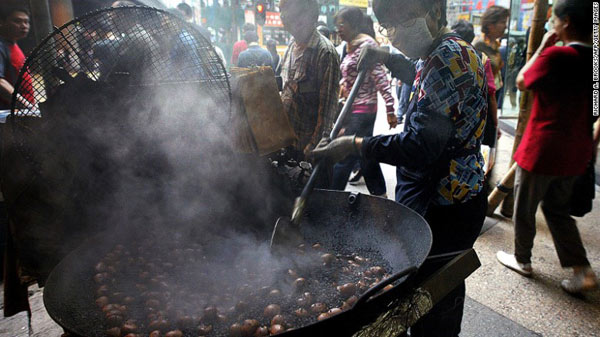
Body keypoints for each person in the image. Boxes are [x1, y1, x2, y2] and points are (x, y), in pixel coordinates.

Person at [312, 0, 488, 335]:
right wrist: (388, 59)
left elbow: (420, 146)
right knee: (442, 285)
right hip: (459, 192)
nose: (393, 33)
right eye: (386, 25)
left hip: (445, 202)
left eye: (400, 21)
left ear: (434, 12)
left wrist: (355, 145)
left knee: (432, 296)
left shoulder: (445, 58)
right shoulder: (453, 50)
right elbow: (431, 90)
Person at [496, 0, 598, 294]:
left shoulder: (556, 55)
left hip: (544, 146)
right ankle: (582, 269)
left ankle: (522, 260)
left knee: (525, 206)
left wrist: (542, 45)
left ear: (565, 22)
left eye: (553, 20)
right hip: (577, 148)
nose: (552, 25)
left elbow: (521, 81)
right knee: (556, 209)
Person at [330, 6, 396, 197]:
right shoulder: (350, 45)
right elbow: (349, 75)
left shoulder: (367, 46)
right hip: (353, 109)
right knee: (365, 155)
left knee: (344, 153)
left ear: (353, 24)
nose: (339, 29)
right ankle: (380, 195)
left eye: (342, 24)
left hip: (363, 110)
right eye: (337, 25)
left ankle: (331, 198)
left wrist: (391, 109)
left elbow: (380, 78)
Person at [279, 0, 340, 157]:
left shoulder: (325, 52)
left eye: (293, 14)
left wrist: (310, 153)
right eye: (283, 14)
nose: (285, 19)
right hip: (287, 144)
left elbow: (326, 115)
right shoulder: (291, 47)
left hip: (308, 151)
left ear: (312, 16)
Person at [0, 4, 33, 110]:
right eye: (17, 21)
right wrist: (28, 106)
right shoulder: (1, 46)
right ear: (2, 22)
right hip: (8, 115)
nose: (24, 26)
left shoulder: (14, 45)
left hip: (21, 112)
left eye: (26, 22)